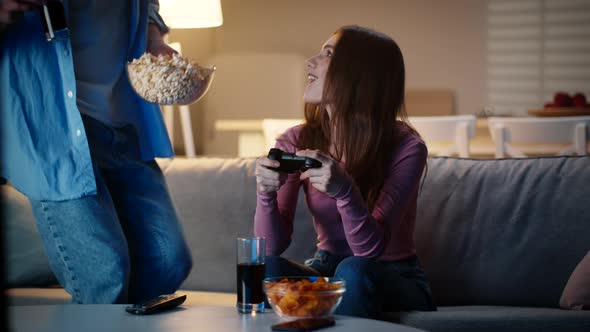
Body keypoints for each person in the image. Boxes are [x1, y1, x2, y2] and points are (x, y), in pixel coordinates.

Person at [0, 0, 192, 304]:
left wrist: (154, 41)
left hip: (123, 119)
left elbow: (147, 7)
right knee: (105, 274)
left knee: (167, 259)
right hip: (54, 127)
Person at [254, 25, 436, 318]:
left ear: (358, 75)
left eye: (328, 54)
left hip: (391, 273)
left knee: (354, 268)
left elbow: (369, 251)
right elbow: (272, 246)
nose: (309, 62)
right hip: (325, 267)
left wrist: (344, 190)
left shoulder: (407, 147)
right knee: (267, 269)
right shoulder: (295, 139)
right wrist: (265, 193)